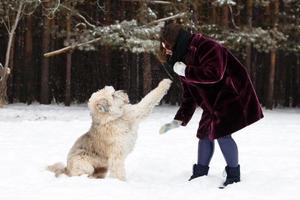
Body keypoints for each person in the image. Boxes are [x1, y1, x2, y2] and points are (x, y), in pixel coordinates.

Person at [158, 23, 264, 188]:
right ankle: (200, 173)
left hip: (232, 93)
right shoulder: (181, 59)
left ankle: (234, 175)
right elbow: (189, 95)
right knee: (204, 134)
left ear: (176, 41)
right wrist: (178, 120)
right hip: (213, 101)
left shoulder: (207, 46)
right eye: (165, 47)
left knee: (222, 132)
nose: (167, 50)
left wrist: (186, 71)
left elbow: (215, 73)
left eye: (168, 46)